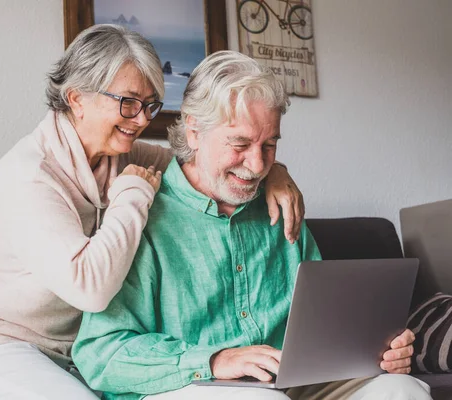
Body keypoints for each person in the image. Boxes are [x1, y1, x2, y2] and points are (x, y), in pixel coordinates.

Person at [0, 26, 305, 400]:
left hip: (52, 351)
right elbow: (90, 287)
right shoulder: (30, 176)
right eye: (128, 103)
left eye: (150, 105)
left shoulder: (117, 154)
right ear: (76, 98)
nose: (142, 120)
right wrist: (131, 196)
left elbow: (197, 163)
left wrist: (274, 174)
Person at [72, 51, 432, 400]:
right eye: (240, 144)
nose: (258, 165)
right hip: (184, 384)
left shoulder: (281, 204)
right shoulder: (143, 215)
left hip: (291, 381)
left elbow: (326, 326)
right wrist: (213, 360)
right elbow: (100, 353)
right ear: (194, 132)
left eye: (270, 145)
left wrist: (379, 349)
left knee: (403, 390)